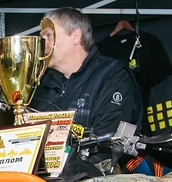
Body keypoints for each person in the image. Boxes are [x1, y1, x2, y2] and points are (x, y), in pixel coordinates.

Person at [30, 7, 143, 138]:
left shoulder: (113, 75)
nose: (43, 43)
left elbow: (106, 139)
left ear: (75, 37)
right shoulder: (41, 82)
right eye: (42, 37)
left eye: (49, 35)